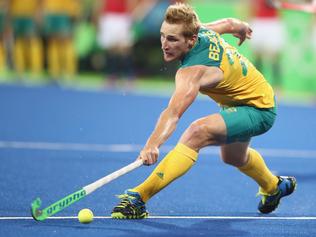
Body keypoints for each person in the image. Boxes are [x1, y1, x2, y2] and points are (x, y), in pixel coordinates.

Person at [111, 3, 296, 219]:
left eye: (172, 39)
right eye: (163, 36)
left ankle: (138, 198)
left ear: (191, 40)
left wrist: (152, 145)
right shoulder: (200, 30)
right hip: (243, 101)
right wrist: (241, 26)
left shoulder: (192, 71)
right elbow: (228, 24)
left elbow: (173, 113)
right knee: (234, 157)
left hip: (259, 108)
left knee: (197, 132)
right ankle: (274, 187)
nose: (164, 44)